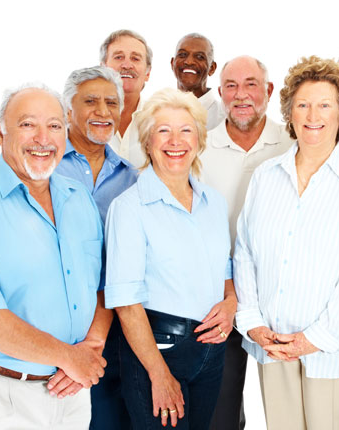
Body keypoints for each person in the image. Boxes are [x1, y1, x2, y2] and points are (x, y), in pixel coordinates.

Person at [234, 56, 339, 430]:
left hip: (335, 352)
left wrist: (315, 338)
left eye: (324, 105)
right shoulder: (266, 177)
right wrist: (253, 323)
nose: (312, 115)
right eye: (302, 104)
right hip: (273, 346)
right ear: (289, 113)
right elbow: (244, 253)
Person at [0, 83, 110, 429]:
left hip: (72, 391)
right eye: (28, 124)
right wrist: (70, 357)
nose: (43, 138)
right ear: (0, 132)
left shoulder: (78, 198)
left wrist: (91, 349)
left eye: (55, 126)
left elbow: (101, 286)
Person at [104, 88, 235, 429]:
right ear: (148, 142)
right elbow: (126, 301)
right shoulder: (129, 208)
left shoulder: (214, 202)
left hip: (211, 352)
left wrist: (232, 301)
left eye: (185, 130)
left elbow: (223, 267)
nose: (175, 140)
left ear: (199, 140)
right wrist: (159, 375)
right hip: (158, 352)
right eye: (163, 130)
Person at [201, 55, 293, 430]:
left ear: (268, 91)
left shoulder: (293, 142)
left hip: (280, 294)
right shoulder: (198, 148)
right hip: (218, 295)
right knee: (221, 410)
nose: (242, 95)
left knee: (287, 408)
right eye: (232, 86)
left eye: (251, 84)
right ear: (220, 93)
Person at [56, 66, 138, 430]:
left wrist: (96, 340)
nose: (103, 111)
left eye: (111, 103)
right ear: (68, 110)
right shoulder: (46, 166)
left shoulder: (132, 179)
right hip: (52, 324)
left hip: (112, 331)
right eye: (90, 101)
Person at [101, 29, 153, 167]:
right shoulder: (82, 119)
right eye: (118, 57)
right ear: (102, 68)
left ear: (148, 73)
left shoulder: (158, 119)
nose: (127, 65)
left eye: (135, 58)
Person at [171, 33, 225, 129]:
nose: (189, 62)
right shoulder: (155, 114)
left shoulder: (225, 119)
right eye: (182, 55)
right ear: (172, 64)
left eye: (199, 57)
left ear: (212, 68)